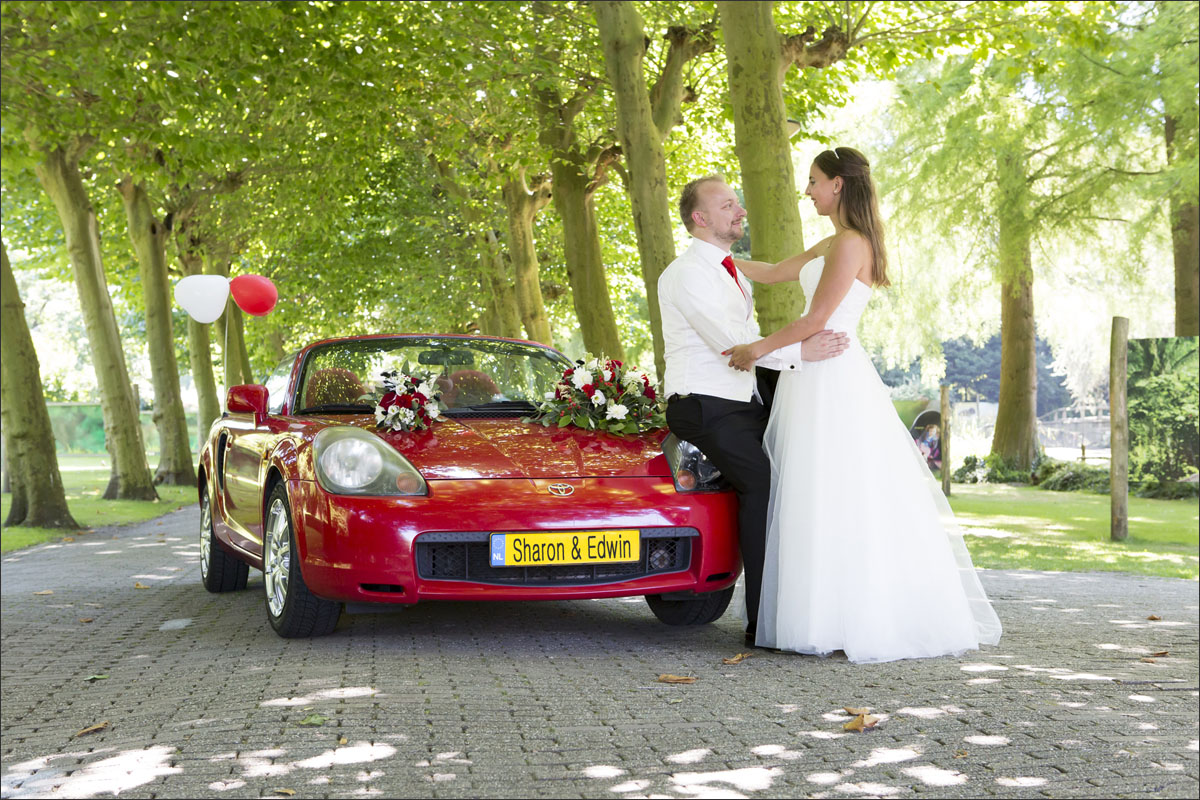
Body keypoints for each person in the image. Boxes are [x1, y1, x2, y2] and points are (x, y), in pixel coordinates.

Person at [725, 147, 1002, 663]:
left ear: (837, 184)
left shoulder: (852, 244)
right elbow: (774, 271)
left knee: (836, 491)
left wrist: (755, 349)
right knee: (810, 490)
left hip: (832, 376)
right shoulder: (832, 240)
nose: (806, 190)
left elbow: (815, 320)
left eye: (812, 181)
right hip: (809, 376)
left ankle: (845, 617)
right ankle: (814, 613)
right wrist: (713, 258)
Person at [658, 175, 850, 648]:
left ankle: (808, 607)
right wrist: (803, 354)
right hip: (702, 406)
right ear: (700, 218)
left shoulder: (731, 269)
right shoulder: (685, 274)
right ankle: (764, 622)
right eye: (727, 206)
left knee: (804, 474)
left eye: (738, 203)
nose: (740, 211)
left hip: (741, 402)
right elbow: (730, 345)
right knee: (764, 483)